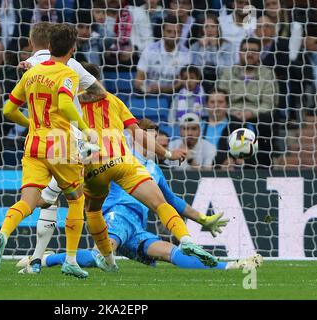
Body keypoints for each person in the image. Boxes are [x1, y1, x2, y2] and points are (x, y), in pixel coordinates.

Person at [16, 150, 262, 272]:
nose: (161, 144)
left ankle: (229, 266)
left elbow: (172, 201)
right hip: (116, 217)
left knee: (169, 253)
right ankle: (44, 259)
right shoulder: (118, 160)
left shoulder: (155, 170)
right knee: (98, 257)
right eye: (155, 139)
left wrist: (203, 219)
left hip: (136, 227)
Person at [75, 63, 218, 269]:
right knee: (160, 205)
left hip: (91, 168)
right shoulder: (113, 101)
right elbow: (137, 132)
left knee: (90, 211)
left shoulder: (70, 104)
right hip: (119, 165)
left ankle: (87, 257)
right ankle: (185, 239)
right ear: (98, 81)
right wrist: (168, 153)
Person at [0, 23, 99, 279]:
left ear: (48, 47)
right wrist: (84, 128)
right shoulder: (67, 73)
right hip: (60, 144)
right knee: (76, 198)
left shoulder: (31, 74)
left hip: (33, 144)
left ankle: (3, 233)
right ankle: (70, 259)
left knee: (28, 201)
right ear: (72, 49)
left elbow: (8, 111)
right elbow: (63, 103)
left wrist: (32, 125)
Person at [217, 37, 279, 167]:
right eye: (245, 50)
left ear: (259, 54)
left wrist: (250, 113)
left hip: (256, 118)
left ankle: (262, 165)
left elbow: (269, 104)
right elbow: (219, 98)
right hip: (231, 114)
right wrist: (232, 112)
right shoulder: (228, 73)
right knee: (232, 123)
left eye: (253, 51)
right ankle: (224, 162)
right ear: (239, 52)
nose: (249, 54)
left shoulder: (267, 74)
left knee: (267, 121)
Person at [134, 15, 190, 94]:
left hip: (174, 96)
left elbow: (182, 84)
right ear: (163, 32)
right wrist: (147, 89)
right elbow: (138, 80)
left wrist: (161, 89)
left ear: (181, 33)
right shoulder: (149, 50)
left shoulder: (186, 54)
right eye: (169, 31)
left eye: (177, 32)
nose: (173, 35)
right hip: (149, 95)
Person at [201, 88, 246, 169]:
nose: (216, 105)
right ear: (206, 105)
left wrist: (233, 160)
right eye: (212, 102)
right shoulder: (198, 124)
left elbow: (242, 155)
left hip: (226, 170)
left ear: (227, 105)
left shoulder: (238, 125)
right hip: (199, 168)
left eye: (220, 102)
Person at [189, 13, 234, 91]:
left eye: (213, 26)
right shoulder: (195, 46)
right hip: (200, 83)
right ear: (201, 29)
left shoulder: (227, 46)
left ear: (218, 28)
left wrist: (213, 48)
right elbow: (195, 70)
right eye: (206, 26)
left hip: (221, 82)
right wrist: (203, 48)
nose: (210, 30)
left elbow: (224, 71)